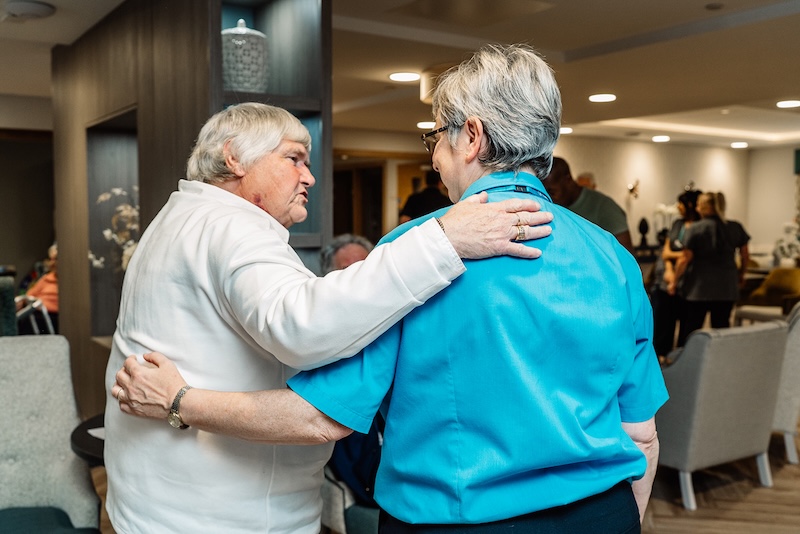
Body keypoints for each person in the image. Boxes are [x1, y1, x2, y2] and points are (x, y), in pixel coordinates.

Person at [114, 44, 667, 533]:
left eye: (436, 137)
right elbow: (641, 433)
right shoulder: (613, 256)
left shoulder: (419, 251)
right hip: (603, 513)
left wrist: (179, 401)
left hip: (457, 521)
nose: (434, 158)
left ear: (471, 137)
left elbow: (321, 417)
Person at [102, 101, 554, 534]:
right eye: (293, 159)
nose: (310, 177)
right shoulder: (231, 226)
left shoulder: (178, 218)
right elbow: (302, 327)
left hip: (160, 499)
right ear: (234, 158)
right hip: (221, 513)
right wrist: (440, 241)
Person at [668, 192, 750, 347]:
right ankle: (720, 357)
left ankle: (689, 357)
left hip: (699, 287)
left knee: (692, 328)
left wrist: (675, 281)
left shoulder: (696, 228)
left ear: (705, 207)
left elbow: (685, 259)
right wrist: (742, 274)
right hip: (727, 286)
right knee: (722, 328)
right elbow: (745, 254)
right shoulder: (734, 227)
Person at [650, 190, 701, 361]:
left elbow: (691, 255)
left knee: (686, 323)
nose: (678, 207)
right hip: (668, 278)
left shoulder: (699, 226)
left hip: (689, 282)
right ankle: (661, 355)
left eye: (680, 204)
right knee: (663, 320)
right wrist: (669, 270)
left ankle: (680, 358)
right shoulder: (678, 224)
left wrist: (679, 257)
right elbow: (666, 252)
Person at [544, 157, 634, 251]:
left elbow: (627, 255)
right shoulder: (552, 209)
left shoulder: (605, 208)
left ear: (568, 180)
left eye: (551, 192)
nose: (547, 198)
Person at [18, 243, 59, 333]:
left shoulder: (67, 283)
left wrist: (42, 304)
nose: (52, 263)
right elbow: (29, 294)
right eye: (51, 259)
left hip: (51, 317)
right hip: (36, 312)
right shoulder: (46, 278)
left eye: (56, 259)